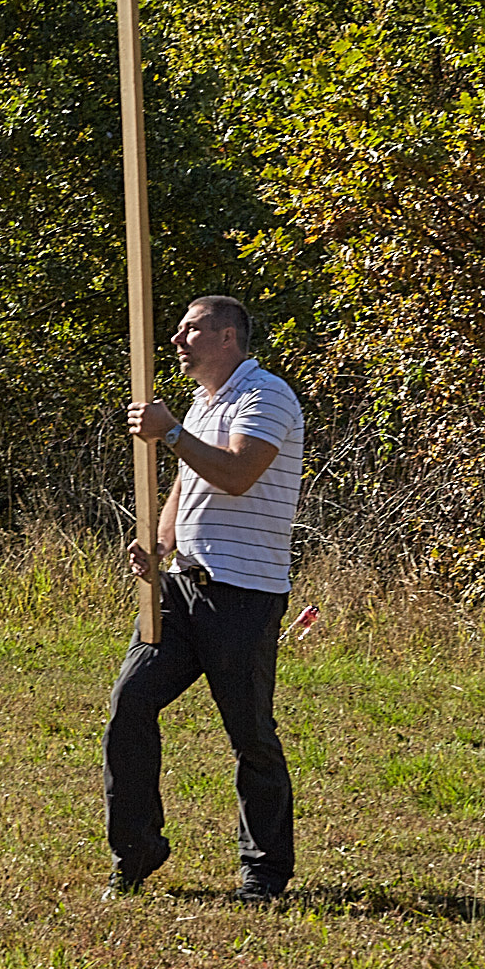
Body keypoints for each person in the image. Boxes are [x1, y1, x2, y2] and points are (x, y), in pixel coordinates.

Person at [106, 294, 305, 904]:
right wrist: (159, 545)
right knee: (130, 704)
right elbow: (188, 489)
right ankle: (136, 852)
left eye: (192, 329)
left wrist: (170, 434)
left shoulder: (265, 396)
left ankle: (264, 872)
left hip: (243, 594)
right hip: (182, 590)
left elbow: (237, 474)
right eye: (179, 329)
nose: (178, 341)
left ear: (228, 338)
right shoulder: (201, 403)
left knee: (250, 734)